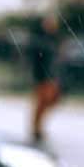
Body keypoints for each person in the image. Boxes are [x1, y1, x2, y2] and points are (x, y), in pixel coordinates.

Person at [28, 12, 64, 143]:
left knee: (50, 101)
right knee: (42, 102)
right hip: (43, 76)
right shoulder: (40, 40)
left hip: (52, 76)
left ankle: (37, 127)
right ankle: (36, 128)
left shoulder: (55, 39)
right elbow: (37, 59)